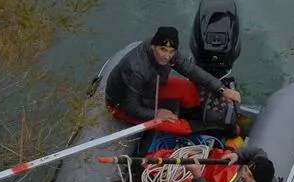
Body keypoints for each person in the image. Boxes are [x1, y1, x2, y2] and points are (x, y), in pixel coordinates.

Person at [104, 25, 242, 136]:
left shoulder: (169, 53)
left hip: (151, 87)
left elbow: (191, 70)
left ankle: (194, 115)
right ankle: (213, 129)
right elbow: (131, 107)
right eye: (162, 50)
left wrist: (221, 89)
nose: (167, 56)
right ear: (153, 46)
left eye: (171, 51)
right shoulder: (135, 69)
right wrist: (156, 113)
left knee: (188, 88)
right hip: (122, 104)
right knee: (176, 125)